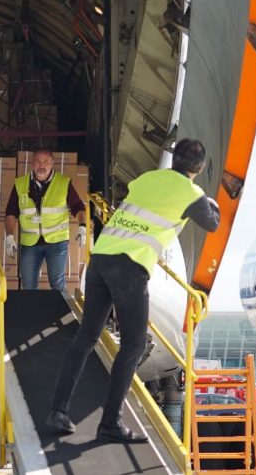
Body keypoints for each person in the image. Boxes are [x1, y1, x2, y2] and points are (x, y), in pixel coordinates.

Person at [45, 138, 220, 443]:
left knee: (86, 337)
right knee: (133, 345)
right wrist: (212, 204)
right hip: (130, 267)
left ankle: (58, 411)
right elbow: (212, 223)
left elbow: (142, 200)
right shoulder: (193, 193)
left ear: (174, 158)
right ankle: (110, 422)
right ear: (200, 168)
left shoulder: (146, 180)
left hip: (100, 259)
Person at [3, 150, 87, 291]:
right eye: (38, 161)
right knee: (28, 285)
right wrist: (10, 236)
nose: (42, 165)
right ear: (32, 164)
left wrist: (83, 226)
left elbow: (78, 207)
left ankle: (60, 313)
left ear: (52, 164)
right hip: (29, 243)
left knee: (57, 283)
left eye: (46, 162)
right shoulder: (20, 184)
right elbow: (11, 212)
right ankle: (32, 313)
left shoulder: (63, 183)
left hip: (57, 241)